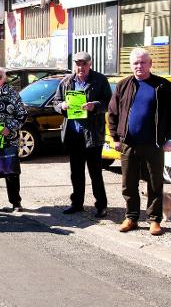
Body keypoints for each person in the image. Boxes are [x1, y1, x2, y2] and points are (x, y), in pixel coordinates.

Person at [108, 48, 171, 236]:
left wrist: (170, 139)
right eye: (135, 63)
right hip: (129, 144)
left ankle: (154, 220)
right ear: (131, 65)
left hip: (154, 144)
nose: (139, 66)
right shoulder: (123, 85)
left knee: (155, 183)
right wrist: (115, 137)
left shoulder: (162, 86)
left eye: (142, 62)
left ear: (150, 64)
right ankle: (131, 217)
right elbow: (113, 113)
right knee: (128, 183)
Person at [54, 51, 112, 218]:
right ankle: (77, 203)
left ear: (90, 64)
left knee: (95, 172)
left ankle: (101, 205)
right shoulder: (66, 81)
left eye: (84, 64)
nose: (81, 67)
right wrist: (62, 106)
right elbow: (56, 103)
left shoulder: (99, 80)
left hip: (92, 134)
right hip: (74, 134)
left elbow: (109, 103)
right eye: (78, 64)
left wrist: (94, 106)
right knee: (76, 172)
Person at [0, 67, 27, 212]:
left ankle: (16, 202)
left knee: (11, 172)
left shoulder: (12, 94)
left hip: (9, 139)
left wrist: (9, 127)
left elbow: (22, 115)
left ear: (4, 78)